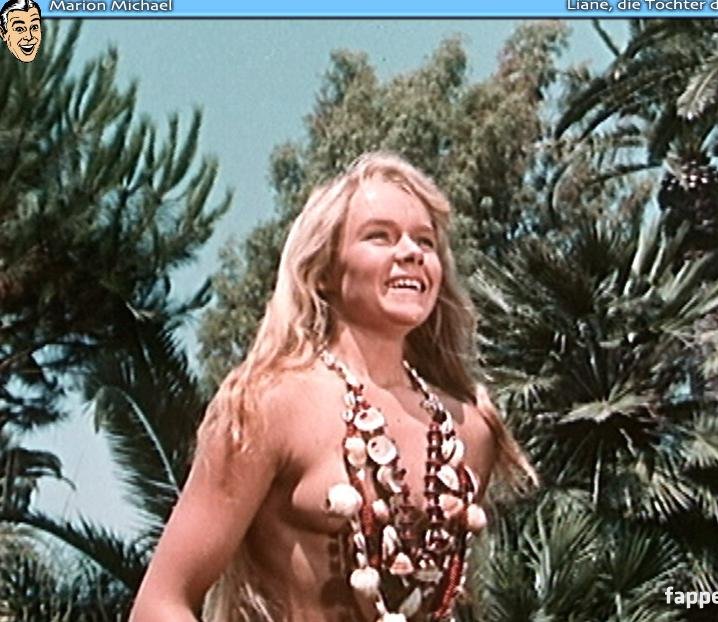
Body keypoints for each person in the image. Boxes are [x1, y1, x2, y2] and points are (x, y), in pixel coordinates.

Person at [129, 152, 535, 622]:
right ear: (324, 273)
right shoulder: (270, 403)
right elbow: (159, 604)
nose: (411, 252)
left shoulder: (467, 431)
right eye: (379, 236)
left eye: (425, 241)